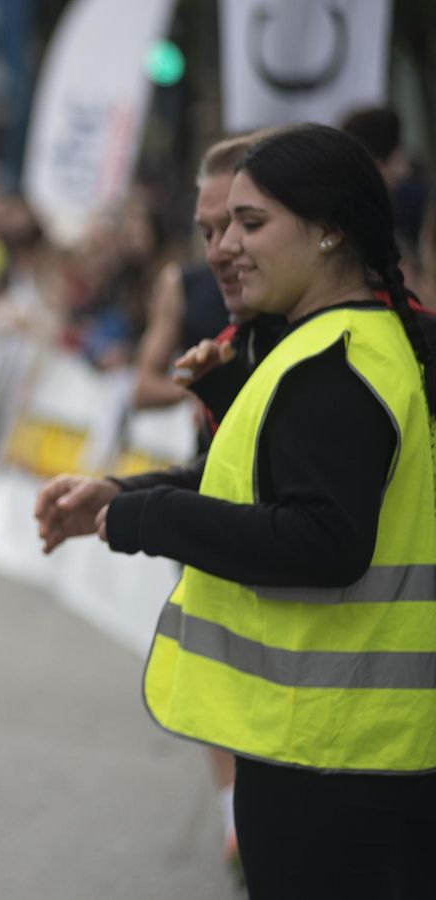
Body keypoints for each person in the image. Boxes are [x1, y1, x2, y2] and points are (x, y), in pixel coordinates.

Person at [57, 123, 436, 897]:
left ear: (330, 230)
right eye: (218, 227)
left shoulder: (329, 361)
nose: (226, 247)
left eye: (250, 223)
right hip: (368, 751)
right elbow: (278, 482)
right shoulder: (360, 343)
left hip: (328, 755)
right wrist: (130, 495)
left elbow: (324, 540)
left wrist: (151, 519)